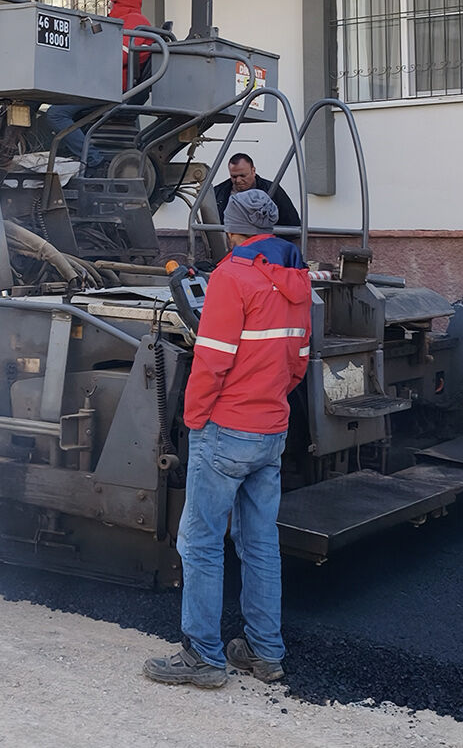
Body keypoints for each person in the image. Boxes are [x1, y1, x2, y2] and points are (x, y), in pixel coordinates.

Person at [144, 189, 311, 689]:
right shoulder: (298, 281)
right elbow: (299, 359)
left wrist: (195, 420)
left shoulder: (230, 278)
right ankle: (265, 653)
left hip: (226, 430)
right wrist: (272, 397)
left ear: (232, 231)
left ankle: (204, 658)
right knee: (260, 543)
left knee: (199, 542)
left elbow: (212, 359)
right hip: (271, 428)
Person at [45, 0, 152, 170]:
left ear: (120, 2)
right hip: (106, 85)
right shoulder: (126, 21)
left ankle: (94, 160)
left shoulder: (133, 21)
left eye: (112, 1)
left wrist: (84, 59)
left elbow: (122, 54)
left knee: (56, 113)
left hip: (109, 89)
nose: (109, 5)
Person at [211, 154, 302, 232]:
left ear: (253, 171)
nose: (238, 180)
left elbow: (292, 223)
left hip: (265, 245)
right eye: (234, 176)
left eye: (243, 175)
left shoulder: (273, 190)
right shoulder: (218, 192)